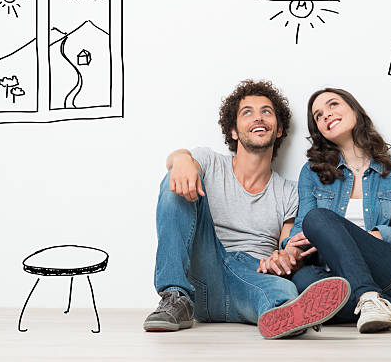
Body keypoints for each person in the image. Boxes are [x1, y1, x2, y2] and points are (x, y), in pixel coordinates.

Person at [144, 80, 350, 339]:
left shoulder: (289, 191)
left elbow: (288, 245)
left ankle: (285, 314)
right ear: (233, 131)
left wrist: (287, 257)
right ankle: (175, 296)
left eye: (266, 111)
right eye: (247, 112)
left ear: (278, 130)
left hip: (252, 278)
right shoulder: (209, 161)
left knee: (281, 291)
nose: (258, 117)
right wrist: (181, 158)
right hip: (204, 270)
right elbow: (179, 164)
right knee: (177, 181)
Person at [258, 87, 391, 333]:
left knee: (319, 218)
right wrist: (288, 250)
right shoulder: (312, 173)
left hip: (390, 272)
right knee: (305, 281)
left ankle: (369, 294)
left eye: (333, 105)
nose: (326, 115)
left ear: (355, 110)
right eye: (318, 115)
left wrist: (344, 238)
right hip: (334, 277)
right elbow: (302, 230)